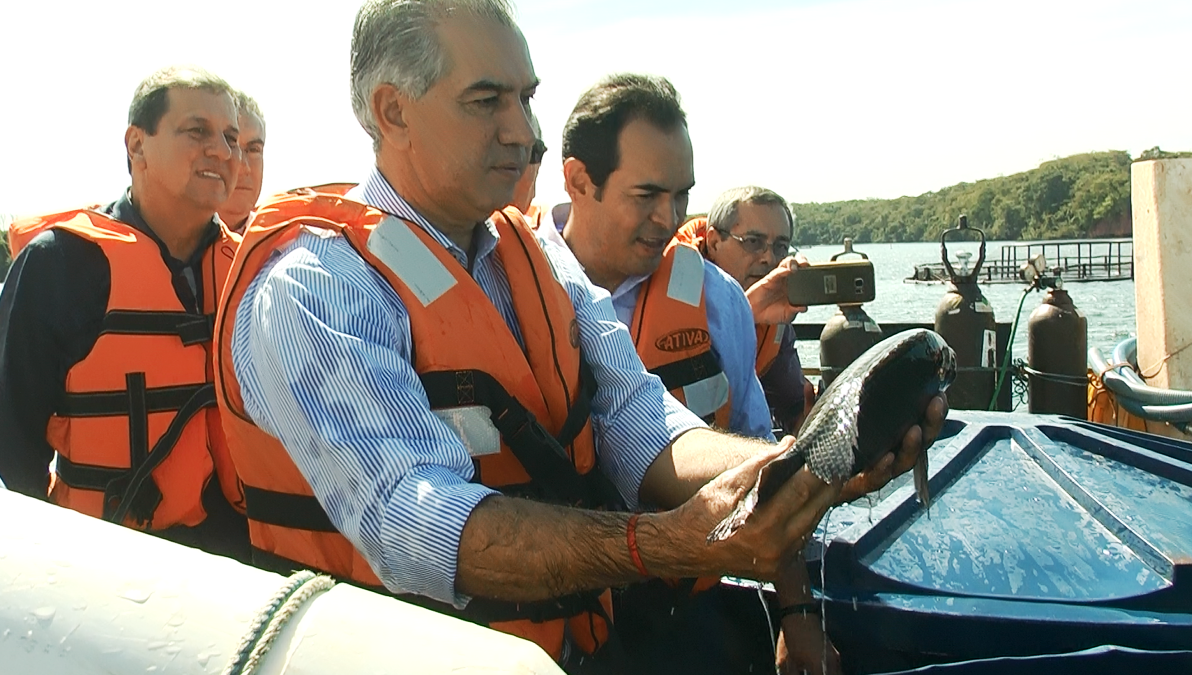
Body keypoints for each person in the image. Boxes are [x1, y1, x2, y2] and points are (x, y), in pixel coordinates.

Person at [213, 1, 945, 673]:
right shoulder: (313, 287)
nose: (523, 131)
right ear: (391, 110)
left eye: (526, 98)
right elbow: (411, 522)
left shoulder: (534, 257)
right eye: (487, 100)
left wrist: (798, 469)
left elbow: (638, 417)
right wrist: (664, 541)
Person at [545, 73, 818, 673]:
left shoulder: (717, 298)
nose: (667, 219)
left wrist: (796, 611)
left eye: (682, 197)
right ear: (578, 180)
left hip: (681, 611)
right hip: (541, 626)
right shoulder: (507, 281)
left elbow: (753, 453)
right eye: (646, 195)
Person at [0, 65, 250, 563]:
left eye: (231, 138)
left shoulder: (250, 270)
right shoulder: (60, 265)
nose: (223, 152)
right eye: (196, 131)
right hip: (103, 571)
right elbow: (12, 448)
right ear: (137, 144)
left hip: (236, 571)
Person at [676, 187, 818, 436]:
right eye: (753, 242)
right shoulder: (669, 288)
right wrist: (743, 316)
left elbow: (794, 406)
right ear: (713, 241)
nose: (769, 258)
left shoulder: (774, 318)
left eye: (780, 246)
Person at [217, 91, 267, 233]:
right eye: (230, 146)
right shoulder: (165, 242)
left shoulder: (290, 245)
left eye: (253, 150)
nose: (243, 167)